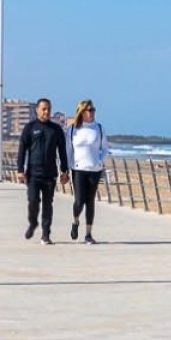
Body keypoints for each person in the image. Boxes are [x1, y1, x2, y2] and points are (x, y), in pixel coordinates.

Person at [15, 97, 69, 243]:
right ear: (37, 110)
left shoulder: (56, 129)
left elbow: (62, 151)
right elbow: (22, 150)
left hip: (50, 174)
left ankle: (46, 234)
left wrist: (65, 171)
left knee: (47, 204)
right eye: (44, 109)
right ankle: (33, 223)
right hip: (33, 174)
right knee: (33, 201)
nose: (46, 112)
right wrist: (20, 169)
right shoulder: (30, 128)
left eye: (48, 109)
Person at [66, 98, 109, 244]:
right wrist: (66, 169)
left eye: (93, 110)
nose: (92, 113)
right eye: (89, 110)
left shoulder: (99, 128)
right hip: (78, 169)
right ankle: (75, 220)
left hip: (94, 169)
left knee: (90, 201)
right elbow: (68, 150)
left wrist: (100, 161)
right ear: (82, 112)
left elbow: (105, 149)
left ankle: (88, 234)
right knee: (79, 201)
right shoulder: (72, 129)